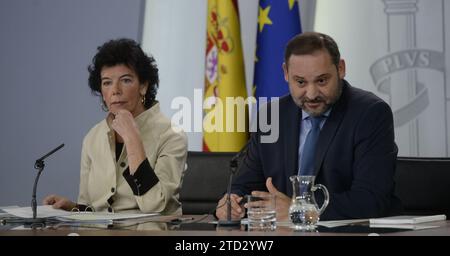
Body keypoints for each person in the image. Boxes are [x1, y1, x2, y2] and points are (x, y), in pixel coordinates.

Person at [216, 32, 402, 221]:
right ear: (286, 73)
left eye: (321, 81)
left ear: (341, 69)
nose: (311, 94)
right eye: (301, 82)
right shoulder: (271, 115)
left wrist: (299, 211)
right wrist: (232, 202)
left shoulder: (370, 114)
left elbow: (371, 199)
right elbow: (246, 184)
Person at [43, 38, 188, 214]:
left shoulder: (172, 135)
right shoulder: (93, 137)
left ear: (143, 85)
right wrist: (73, 207)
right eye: (107, 83)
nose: (115, 90)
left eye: (125, 80)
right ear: (102, 92)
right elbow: (90, 206)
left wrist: (133, 139)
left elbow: (156, 206)